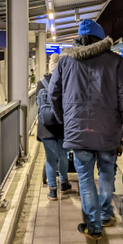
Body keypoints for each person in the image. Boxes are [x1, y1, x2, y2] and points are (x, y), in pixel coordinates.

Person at [49, 19, 123, 240]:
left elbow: (53, 94)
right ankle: (107, 214)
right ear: (101, 39)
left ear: (79, 39)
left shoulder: (64, 62)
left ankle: (93, 226)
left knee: (86, 178)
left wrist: (65, 120)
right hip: (108, 131)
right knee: (107, 173)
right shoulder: (116, 62)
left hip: (78, 132)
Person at [37, 53, 73, 200]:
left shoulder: (41, 82)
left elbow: (38, 105)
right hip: (62, 125)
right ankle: (64, 184)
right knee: (63, 156)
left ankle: (52, 190)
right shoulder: (66, 81)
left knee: (50, 158)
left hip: (46, 127)